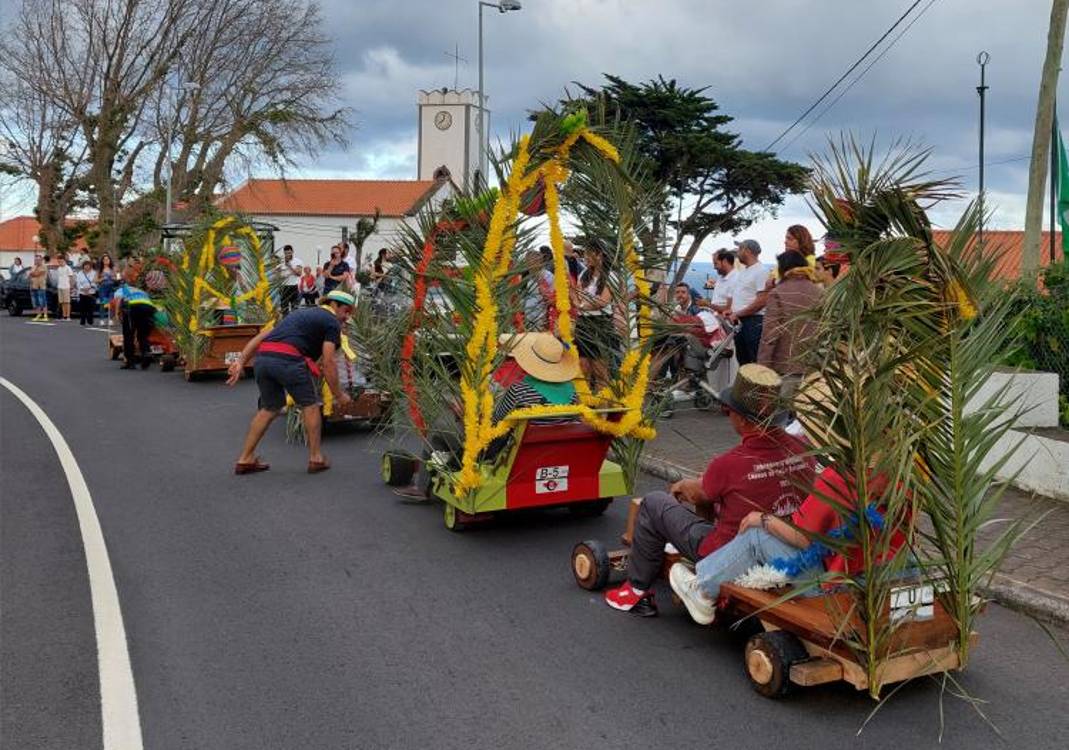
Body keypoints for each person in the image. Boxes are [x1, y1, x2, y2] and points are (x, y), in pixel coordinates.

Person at [603, 364, 816, 615]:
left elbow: (699, 493)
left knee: (653, 503)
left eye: (730, 411)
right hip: (784, 541)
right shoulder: (803, 450)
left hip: (729, 548)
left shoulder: (729, 463)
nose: (728, 415)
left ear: (743, 418)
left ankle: (637, 590)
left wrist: (682, 486)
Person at [669, 464, 909, 625]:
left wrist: (763, 519)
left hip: (838, 592)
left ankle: (703, 588)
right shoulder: (902, 477)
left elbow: (803, 538)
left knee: (756, 537)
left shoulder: (838, 477)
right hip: (888, 577)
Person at [228, 289, 356, 475]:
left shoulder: (298, 313)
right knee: (310, 405)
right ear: (334, 305)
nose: (346, 317)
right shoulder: (331, 322)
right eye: (346, 311)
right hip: (288, 360)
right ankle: (316, 458)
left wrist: (241, 361)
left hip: (263, 359)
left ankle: (245, 458)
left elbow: (262, 337)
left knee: (269, 408)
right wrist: (339, 394)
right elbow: (329, 362)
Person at [757, 250, 822, 391]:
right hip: (814, 367)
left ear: (783, 268)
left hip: (784, 365)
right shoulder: (819, 292)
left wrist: (762, 367)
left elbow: (770, 333)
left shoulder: (778, 293)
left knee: (781, 411)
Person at [572, 238, 618, 386]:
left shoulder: (611, 276)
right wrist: (581, 304)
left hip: (601, 323)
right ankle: (585, 403)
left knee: (600, 370)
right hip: (583, 322)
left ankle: (602, 406)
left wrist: (581, 305)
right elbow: (576, 296)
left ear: (600, 255)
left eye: (589, 254)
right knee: (583, 366)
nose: (585, 257)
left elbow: (602, 302)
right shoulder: (584, 275)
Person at [726, 239, 770, 366]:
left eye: (739, 249)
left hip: (753, 322)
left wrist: (738, 313)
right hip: (740, 321)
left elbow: (761, 301)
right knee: (743, 360)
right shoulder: (744, 271)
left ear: (747, 251)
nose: (737, 253)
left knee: (754, 360)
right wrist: (732, 311)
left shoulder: (761, 271)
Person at [112, 277, 157, 369]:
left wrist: (117, 314)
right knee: (143, 335)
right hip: (148, 308)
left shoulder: (121, 289)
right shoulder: (141, 291)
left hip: (132, 307)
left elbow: (119, 299)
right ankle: (146, 353)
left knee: (128, 335)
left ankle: (130, 362)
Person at [280, 245, 304, 315]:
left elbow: (299, 273)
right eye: (286, 253)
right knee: (284, 309)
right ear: (284, 253)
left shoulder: (298, 261)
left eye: (289, 253)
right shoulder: (281, 262)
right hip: (283, 287)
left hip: (293, 287)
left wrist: (289, 266)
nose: (288, 255)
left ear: (292, 252)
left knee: (295, 308)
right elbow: (277, 275)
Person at [75, 259, 99, 326]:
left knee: (90, 308)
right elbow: (78, 282)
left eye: (88, 265)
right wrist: (82, 288)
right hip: (82, 292)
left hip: (91, 292)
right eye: (85, 265)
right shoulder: (80, 273)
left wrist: (89, 288)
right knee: (82, 308)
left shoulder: (94, 273)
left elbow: (95, 282)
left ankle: (90, 320)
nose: (87, 267)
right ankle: (82, 320)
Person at [53, 252, 74, 321]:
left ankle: (68, 316)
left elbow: (71, 277)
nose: (60, 263)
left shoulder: (68, 268)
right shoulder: (59, 268)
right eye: (59, 261)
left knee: (67, 302)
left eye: (61, 261)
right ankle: (64, 315)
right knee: (62, 302)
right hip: (60, 286)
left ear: (64, 261)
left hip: (66, 286)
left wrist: (71, 286)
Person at [29, 255, 49, 321]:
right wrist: (33, 273)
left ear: (41, 260)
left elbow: (37, 274)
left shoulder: (44, 266)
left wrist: (33, 273)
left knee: (42, 300)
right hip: (34, 285)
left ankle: (45, 315)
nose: (37, 261)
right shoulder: (33, 266)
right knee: (36, 301)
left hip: (41, 286)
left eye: (38, 260)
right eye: (36, 260)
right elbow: (30, 274)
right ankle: (38, 314)